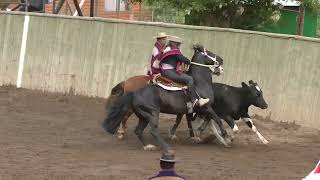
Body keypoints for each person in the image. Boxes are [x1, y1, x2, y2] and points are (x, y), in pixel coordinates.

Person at [160, 35, 209, 113]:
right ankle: (194, 101)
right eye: (178, 43)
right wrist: (190, 62)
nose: (179, 45)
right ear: (173, 43)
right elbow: (183, 59)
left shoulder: (168, 49)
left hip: (168, 71)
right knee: (189, 79)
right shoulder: (173, 50)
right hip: (169, 72)